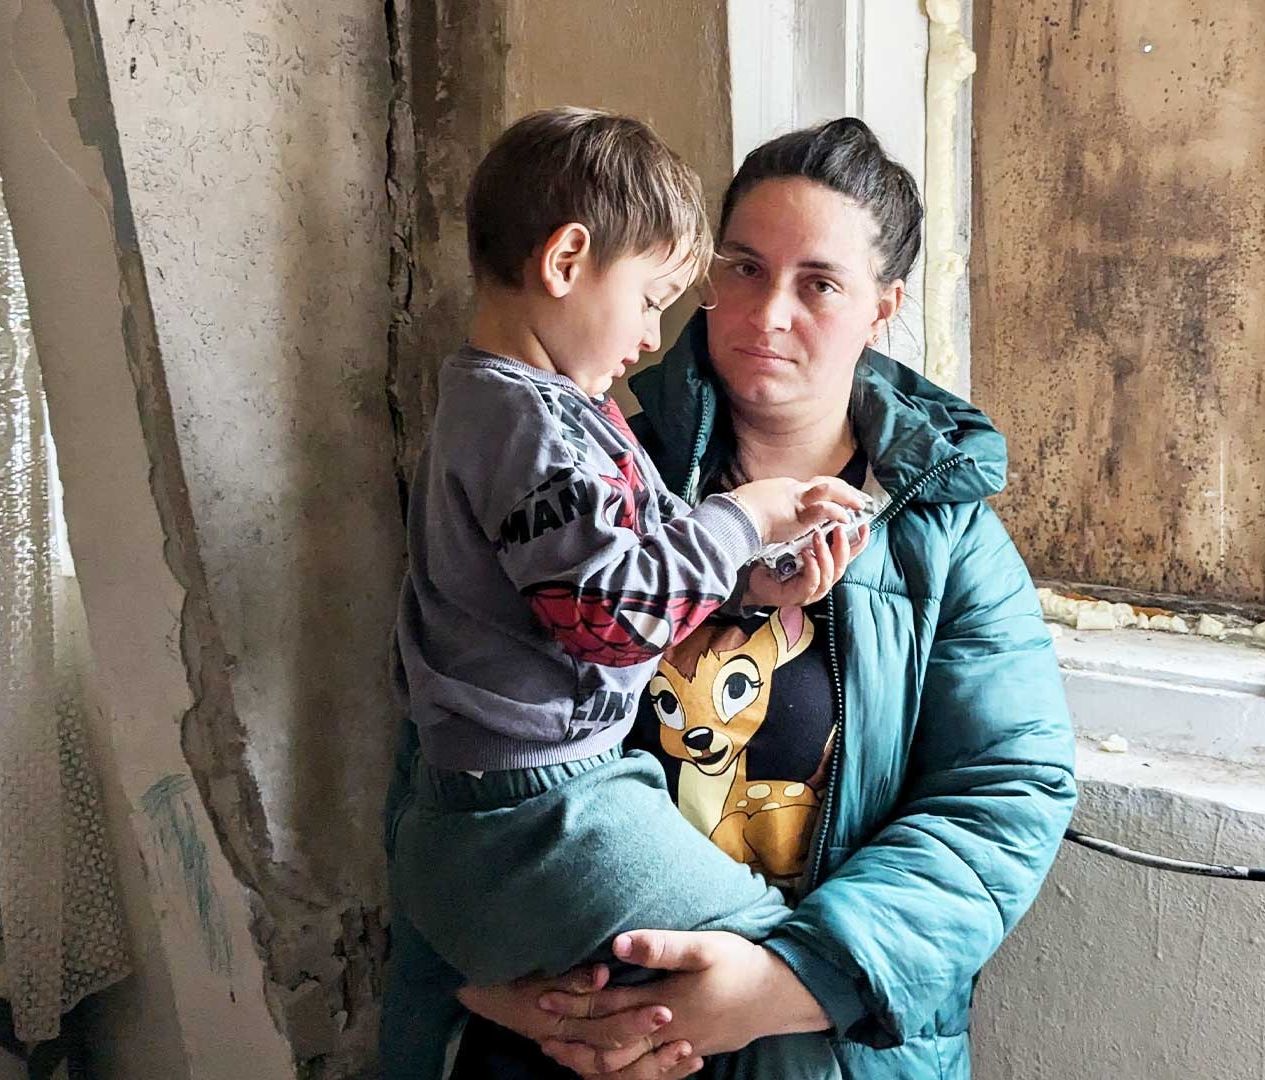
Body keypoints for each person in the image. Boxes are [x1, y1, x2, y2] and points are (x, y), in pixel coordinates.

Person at [445, 118, 1079, 1080]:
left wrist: (784, 981)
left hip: (811, 1050)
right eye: (743, 268)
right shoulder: (589, 467)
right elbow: (452, 727)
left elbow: (1003, 797)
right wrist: (504, 993)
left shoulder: (945, 543)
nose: (767, 310)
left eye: (818, 283)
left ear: (883, 308)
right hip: (568, 1040)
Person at [380, 107, 872, 1080]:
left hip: (541, 796)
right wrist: (746, 516)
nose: (653, 337)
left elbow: (613, 578)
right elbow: (611, 621)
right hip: (535, 810)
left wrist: (752, 576)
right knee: (783, 976)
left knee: (697, 1007)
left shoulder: (547, 412)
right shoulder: (526, 426)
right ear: (567, 261)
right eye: (651, 299)